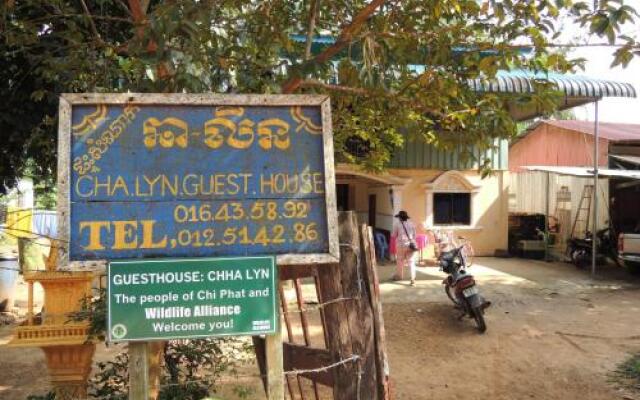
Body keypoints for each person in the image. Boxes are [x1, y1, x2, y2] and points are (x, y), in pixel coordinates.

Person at [391, 210, 417, 286]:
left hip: (401, 245)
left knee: (400, 261)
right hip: (411, 245)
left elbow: (394, 235)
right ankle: (412, 279)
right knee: (411, 262)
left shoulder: (397, 224)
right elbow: (415, 235)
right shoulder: (411, 224)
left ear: (400, 218)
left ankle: (399, 276)